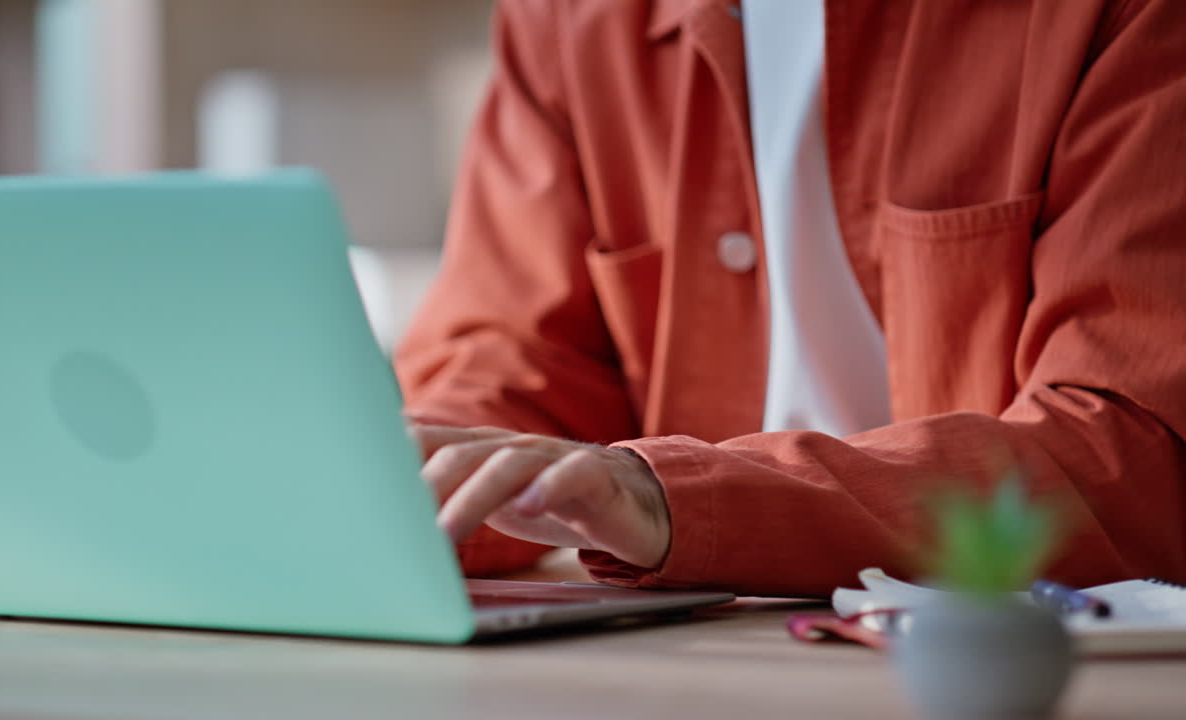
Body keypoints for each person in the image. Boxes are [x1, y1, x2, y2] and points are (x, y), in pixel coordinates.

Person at [394, 0, 1186, 596]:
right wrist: (387, 480)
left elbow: (1136, 452)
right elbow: (517, 357)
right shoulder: (570, 19)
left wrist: (679, 500)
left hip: (996, 667)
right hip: (692, 655)